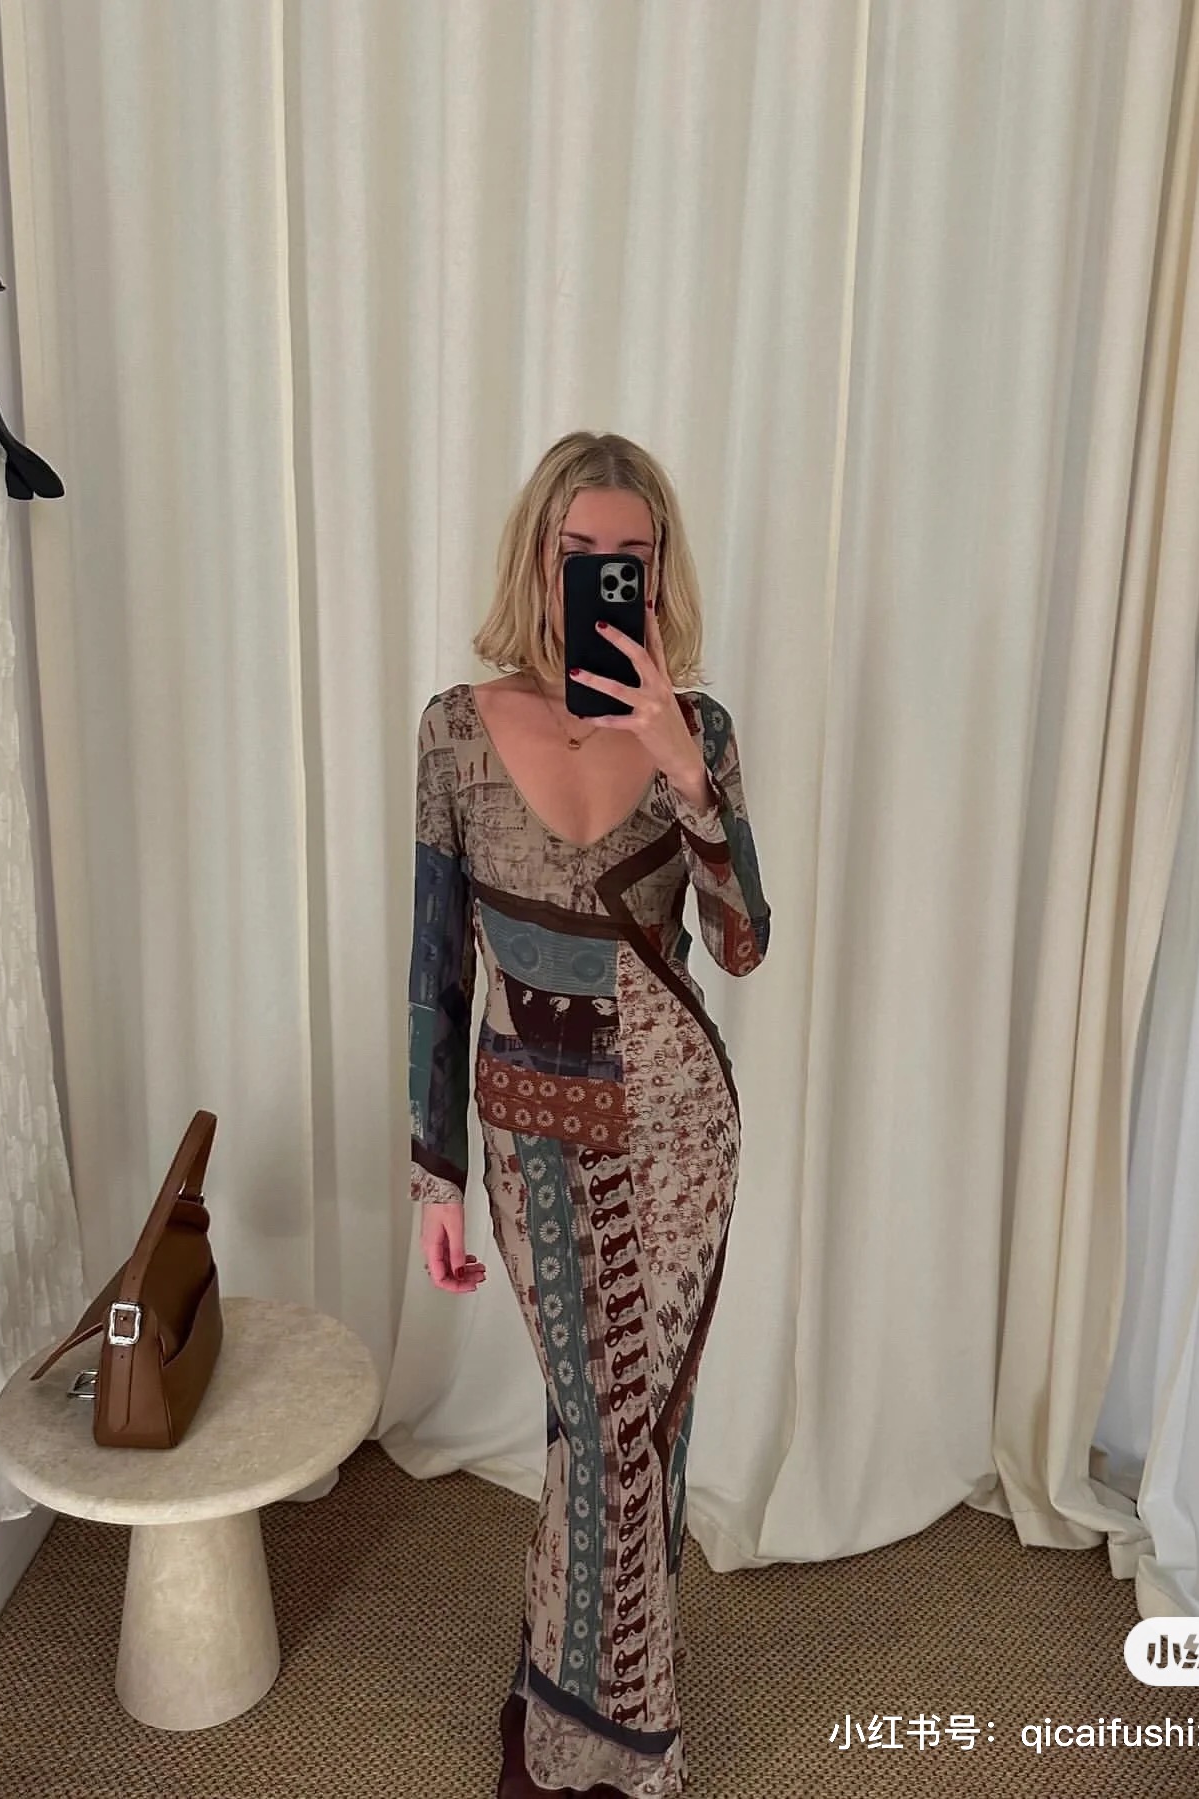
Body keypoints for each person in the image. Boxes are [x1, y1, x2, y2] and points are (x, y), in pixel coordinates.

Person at [408, 430, 770, 1798]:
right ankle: (578, 1703)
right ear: (540, 560)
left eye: (635, 556)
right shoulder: (458, 728)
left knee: (634, 1431)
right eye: (583, 554)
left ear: (660, 571)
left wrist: (688, 773)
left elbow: (739, 944)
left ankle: (593, 1737)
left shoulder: (700, 730)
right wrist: (434, 1175)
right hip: (529, 1129)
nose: (609, 577)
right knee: (598, 1423)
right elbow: (436, 967)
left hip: (675, 1127)